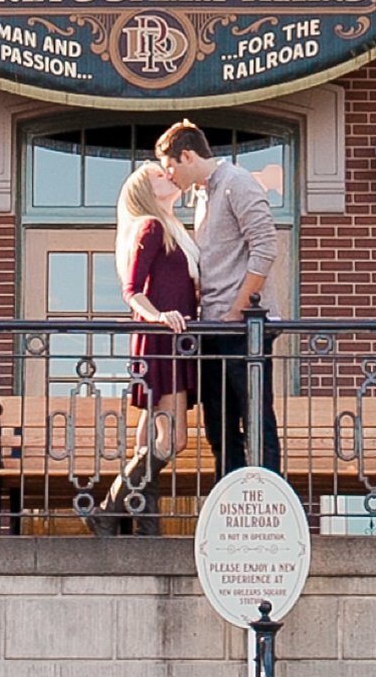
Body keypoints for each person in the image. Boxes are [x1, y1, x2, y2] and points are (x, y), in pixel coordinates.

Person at [155, 121, 280, 480]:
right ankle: (230, 505)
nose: (169, 175)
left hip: (243, 329)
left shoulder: (237, 183)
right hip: (212, 327)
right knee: (219, 428)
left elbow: (265, 247)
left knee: (256, 422)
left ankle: (267, 503)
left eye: (171, 166)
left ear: (188, 155)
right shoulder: (202, 195)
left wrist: (237, 310)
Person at [104, 161, 199, 528]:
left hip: (174, 340)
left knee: (148, 442)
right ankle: (110, 508)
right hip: (163, 341)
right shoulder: (151, 226)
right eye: (159, 176)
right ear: (145, 190)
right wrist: (159, 315)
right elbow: (131, 291)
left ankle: (146, 524)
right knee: (173, 440)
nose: (168, 176)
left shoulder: (174, 228)